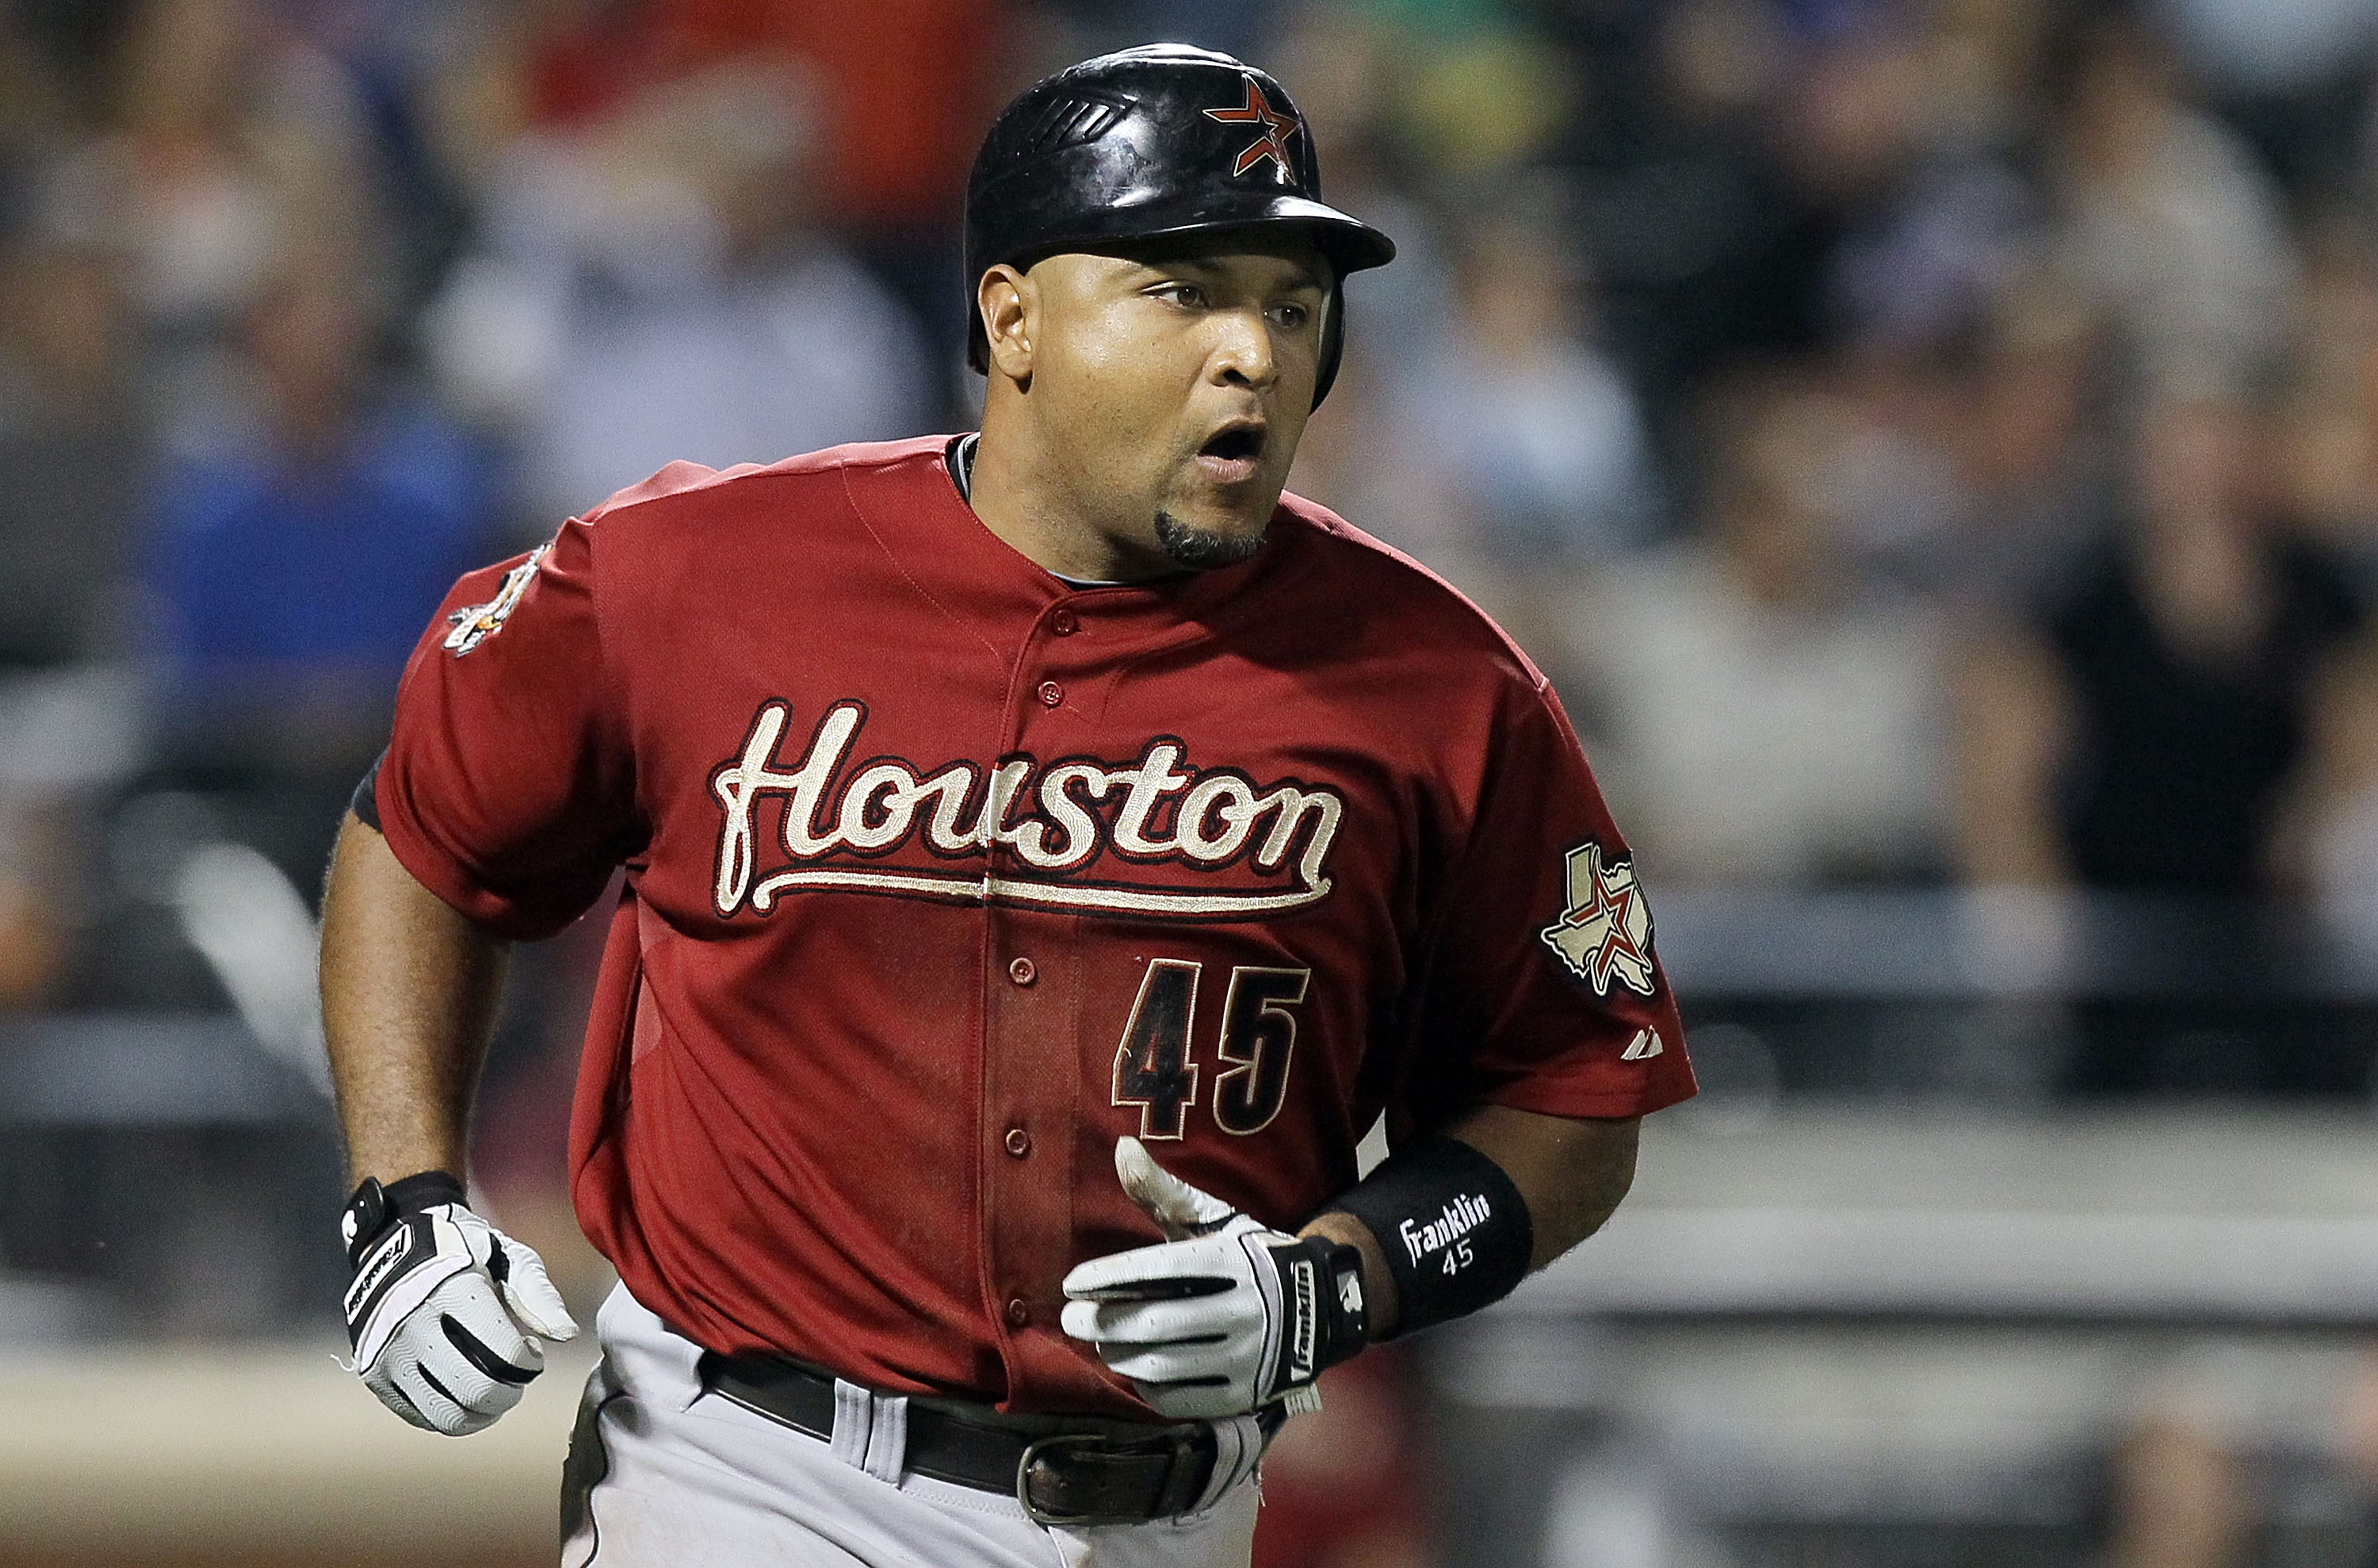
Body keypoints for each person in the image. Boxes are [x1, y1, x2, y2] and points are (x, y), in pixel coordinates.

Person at [319, 44, 1694, 1568]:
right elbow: (424, 835)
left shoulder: (1441, 679)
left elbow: (1575, 1092)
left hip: (1172, 1508)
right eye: (1181, 290)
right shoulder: (693, 574)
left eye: (1290, 305)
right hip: (747, 1475)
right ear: (1012, 315)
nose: (1251, 349)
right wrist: (403, 1201)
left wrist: (1343, 1277)